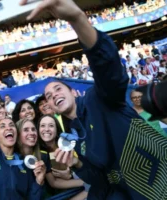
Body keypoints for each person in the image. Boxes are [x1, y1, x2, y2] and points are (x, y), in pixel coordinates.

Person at [21, 0, 166, 199]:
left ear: (73, 92)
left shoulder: (97, 99)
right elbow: (101, 179)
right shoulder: (72, 136)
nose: (53, 94)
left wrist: (77, 19)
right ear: (51, 108)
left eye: (57, 88)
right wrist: (77, 164)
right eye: (49, 96)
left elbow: (110, 71)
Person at [16, 118, 85, 199]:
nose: (31, 133)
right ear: (17, 134)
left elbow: (53, 182)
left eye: (33, 129)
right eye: (26, 130)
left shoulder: (43, 155)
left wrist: (85, 182)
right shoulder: (13, 160)